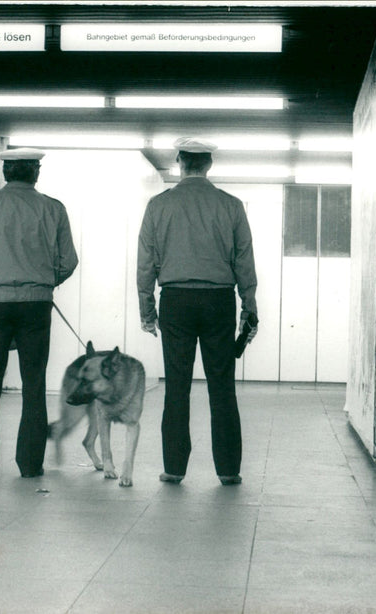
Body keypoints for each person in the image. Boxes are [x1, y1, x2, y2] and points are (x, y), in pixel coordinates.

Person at [137, 136, 259, 486]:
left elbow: (146, 263)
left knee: (177, 387)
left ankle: (174, 468)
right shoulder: (231, 205)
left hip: (175, 300)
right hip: (219, 300)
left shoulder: (158, 206)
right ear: (209, 165)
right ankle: (228, 470)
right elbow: (244, 262)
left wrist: (148, 310)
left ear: (179, 162)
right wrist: (248, 309)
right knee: (222, 387)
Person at [0, 147, 78, 480]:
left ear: (5, 172)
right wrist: (45, 282)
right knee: (33, 384)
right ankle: (29, 464)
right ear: (36, 172)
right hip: (36, 305)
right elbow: (68, 261)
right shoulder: (53, 209)